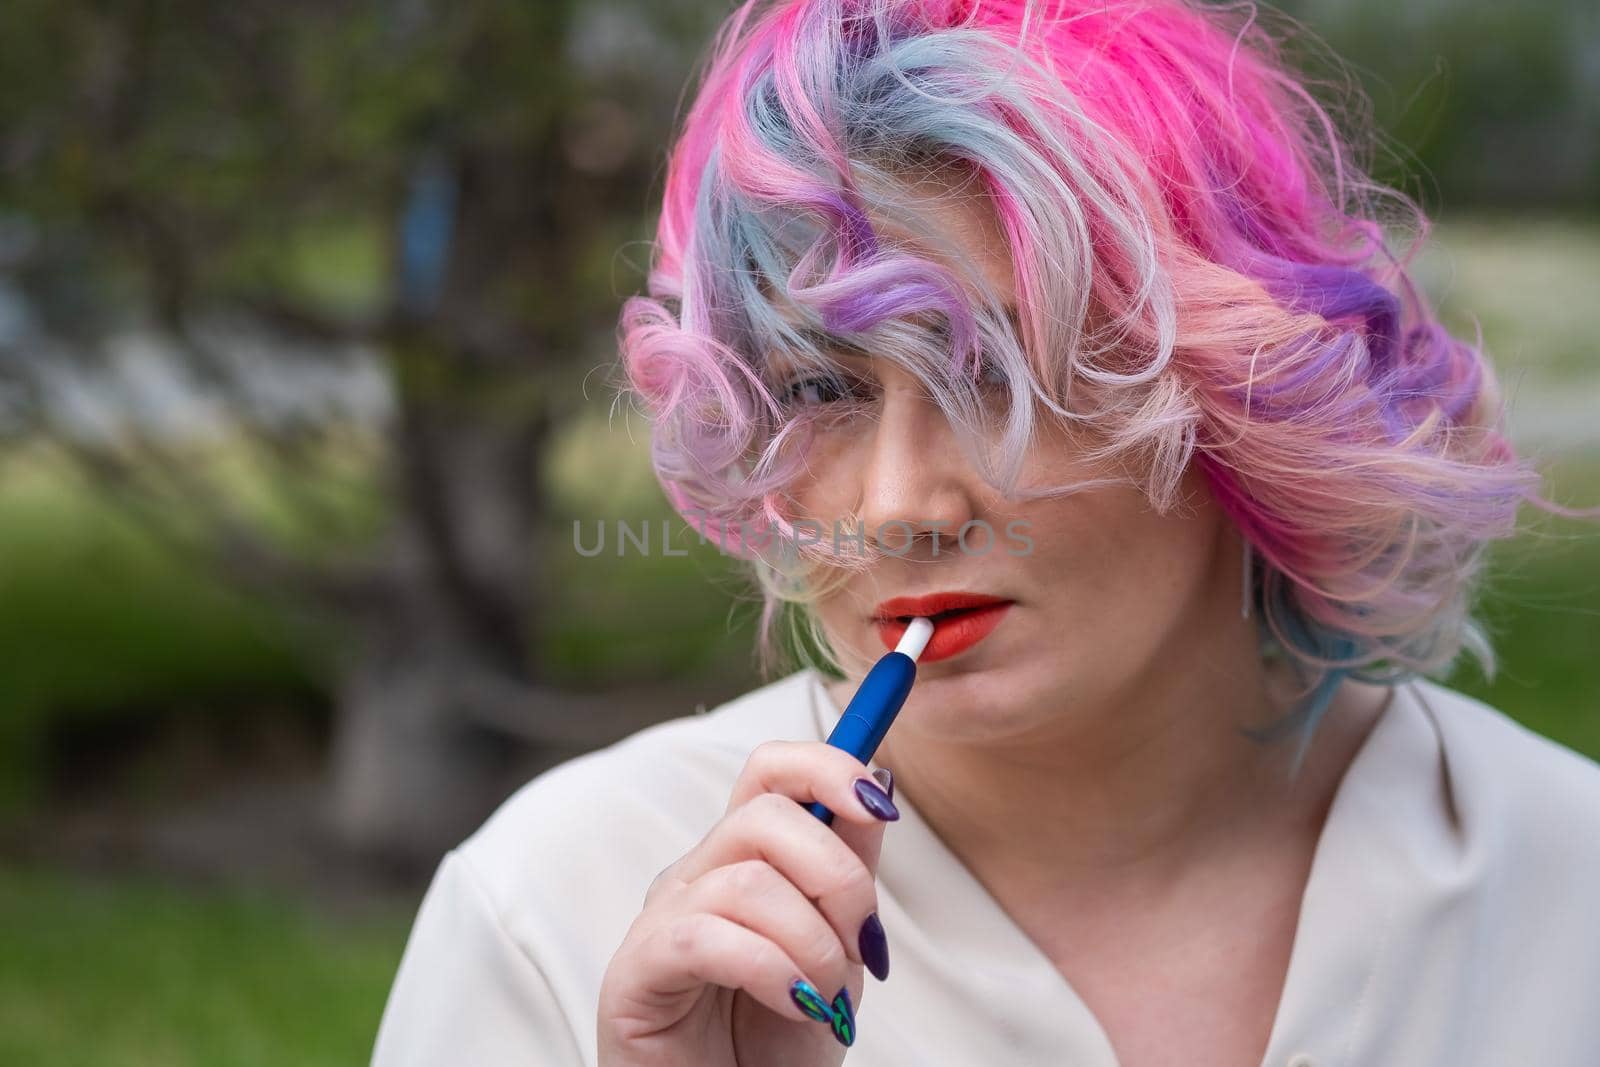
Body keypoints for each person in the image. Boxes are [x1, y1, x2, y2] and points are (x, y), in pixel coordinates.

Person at [369, 1, 1600, 1064]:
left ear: (1243, 395)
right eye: (817, 388)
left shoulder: (1564, 885)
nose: (899, 503)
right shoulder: (556, 909)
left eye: (1002, 373)